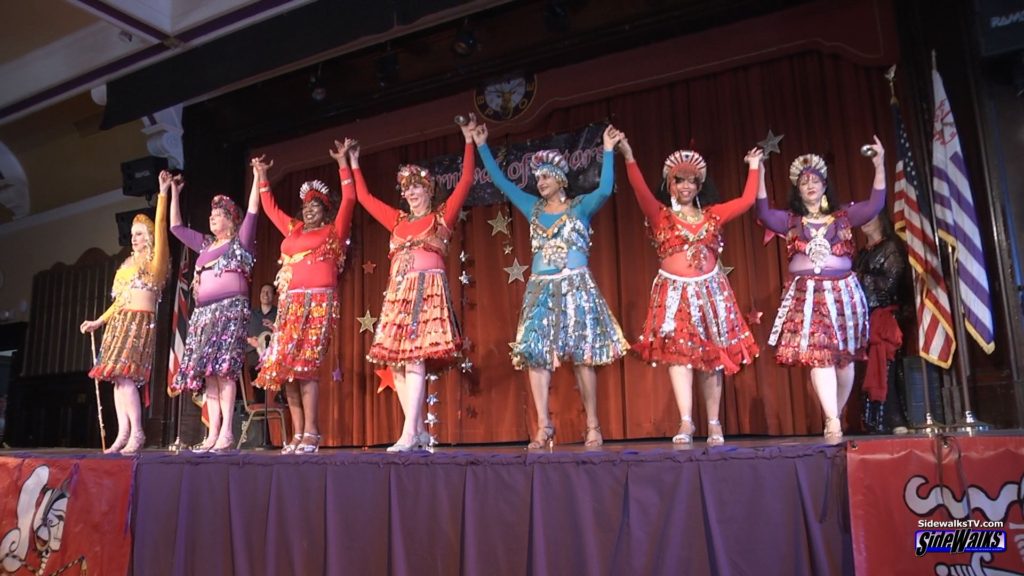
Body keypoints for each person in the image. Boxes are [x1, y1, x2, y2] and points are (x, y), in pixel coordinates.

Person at [472, 122, 629, 449]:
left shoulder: (579, 206)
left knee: (583, 357)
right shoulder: (533, 208)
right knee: (536, 355)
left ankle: (593, 425)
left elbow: (604, 190)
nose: (539, 182)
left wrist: (608, 150)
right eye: (537, 178)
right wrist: (482, 146)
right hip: (541, 289)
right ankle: (543, 425)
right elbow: (501, 182)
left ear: (560, 179)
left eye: (545, 177)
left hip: (576, 286)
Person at [618, 136, 762, 445]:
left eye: (692, 181)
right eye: (678, 180)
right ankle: (686, 421)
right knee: (679, 357)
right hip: (674, 295)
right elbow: (639, 189)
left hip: (711, 293)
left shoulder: (713, 216)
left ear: (699, 186)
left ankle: (713, 423)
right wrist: (629, 155)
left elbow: (747, 201)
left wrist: (753, 167)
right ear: (669, 184)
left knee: (711, 357)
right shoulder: (660, 216)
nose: (685, 186)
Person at [352, 116, 477, 452]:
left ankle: (408, 433)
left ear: (428, 190)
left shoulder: (440, 217)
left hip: (427, 290)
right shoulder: (397, 220)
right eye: (406, 189)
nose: (411, 193)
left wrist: (467, 141)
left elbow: (465, 181)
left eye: (417, 187)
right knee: (397, 361)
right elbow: (363, 197)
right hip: (399, 293)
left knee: (414, 358)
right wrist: (351, 163)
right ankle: (417, 430)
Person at [756, 137, 886, 441]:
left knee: (843, 362)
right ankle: (832, 420)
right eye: (804, 182)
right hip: (807, 295)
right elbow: (762, 213)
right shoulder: (790, 221)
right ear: (798, 190)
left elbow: (875, 204)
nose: (810, 185)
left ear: (825, 185)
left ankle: (834, 415)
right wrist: (759, 172)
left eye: (815, 180)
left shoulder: (843, 217)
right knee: (818, 356)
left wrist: (879, 164)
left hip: (842, 294)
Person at [255, 144, 356, 454]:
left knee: (306, 367)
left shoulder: (332, 231)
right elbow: (270, 208)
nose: (310, 210)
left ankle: (312, 432)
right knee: (287, 369)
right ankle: (297, 433)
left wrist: (343, 163)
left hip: (318, 304)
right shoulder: (294, 230)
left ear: (325, 210)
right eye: (306, 206)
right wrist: (261, 176)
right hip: (290, 305)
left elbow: (350, 199)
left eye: (316, 206)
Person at [169, 168, 259, 453]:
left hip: (230, 312)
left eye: (218, 214)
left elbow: (254, 212)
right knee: (209, 374)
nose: (212, 217)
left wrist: (257, 176)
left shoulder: (239, 241)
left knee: (225, 372)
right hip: (204, 315)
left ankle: (227, 433)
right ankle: (214, 432)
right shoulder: (206, 245)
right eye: (211, 215)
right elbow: (176, 229)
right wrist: (173, 193)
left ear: (232, 220)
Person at [79, 174, 170, 454]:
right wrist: (99, 321)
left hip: (140, 322)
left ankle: (138, 432)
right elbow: (119, 302)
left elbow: (163, 227)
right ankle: (123, 432)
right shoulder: (126, 264)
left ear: (150, 236)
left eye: (140, 233)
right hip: (120, 322)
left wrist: (163, 194)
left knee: (127, 377)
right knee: (118, 379)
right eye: (132, 234)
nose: (135, 237)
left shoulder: (156, 261)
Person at [854, 212, 911, 434]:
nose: (865, 222)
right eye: (863, 218)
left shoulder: (890, 248)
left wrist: (861, 278)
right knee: (869, 368)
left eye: (870, 217)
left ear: (881, 220)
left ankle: (895, 420)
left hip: (885, 316)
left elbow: (892, 281)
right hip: (866, 317)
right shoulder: (862, 254)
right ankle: (874, 422)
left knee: (886, 367)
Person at [246, 282, 278, 397]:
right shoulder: (251, 314)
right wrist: (250, 341)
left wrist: (274, 327)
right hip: (254, 355)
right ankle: (259, 409)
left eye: (269, 292)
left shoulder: (278, 314)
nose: (265, 294)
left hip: (273, 357)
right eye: (263, 292)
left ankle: (275, 408)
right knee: (258, 390)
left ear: (273, 296)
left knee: (274, 389)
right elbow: (242, 334)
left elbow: (284, 333)